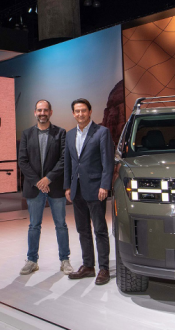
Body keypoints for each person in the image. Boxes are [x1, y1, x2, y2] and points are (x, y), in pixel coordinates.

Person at [17, 99, 73, 276]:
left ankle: (65, 260)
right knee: (34, 225)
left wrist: (48, 179)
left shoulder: (60, 133)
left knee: (61, 225)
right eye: (39, 110)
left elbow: (64, 159)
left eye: (45, 110)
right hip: (34, 188)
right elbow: (22, 161)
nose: (42, 113)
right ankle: (32, 260)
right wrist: (38, 182)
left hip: (55, 187)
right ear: (35, 112)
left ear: (51, 112)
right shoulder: (26, 134)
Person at [63, 98, 114, 285]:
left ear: (90, 112)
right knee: (82, 229)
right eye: (77, 111)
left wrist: (105, 185)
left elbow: (107, 162)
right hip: (76, 190)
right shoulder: (69, 135)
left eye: (83, 110)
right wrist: (67, 186)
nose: (80, 114)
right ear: (73, 113)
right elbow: (68, 163)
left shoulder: (102, 132)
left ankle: (104, 268)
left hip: (95, 189)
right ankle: (88, 266)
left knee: (100, 230)